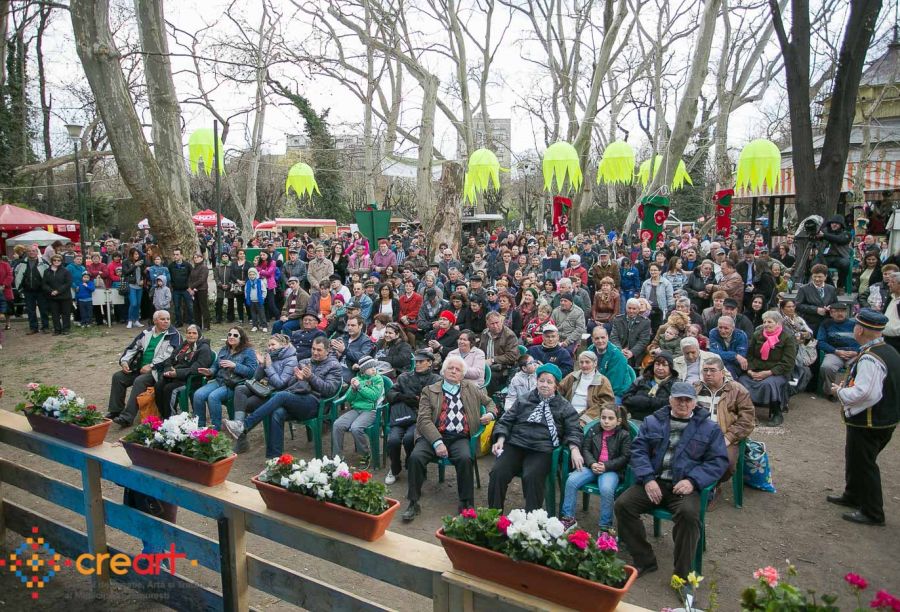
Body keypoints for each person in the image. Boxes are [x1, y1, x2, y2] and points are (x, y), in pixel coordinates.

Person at [615, 381, 728, 578]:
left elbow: (718, 461)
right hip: (655, 482)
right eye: (678, 399)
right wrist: (648, 479)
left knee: (688, 516)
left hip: (685, 487)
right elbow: (638, 451)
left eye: (687, 400)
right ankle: (644, 560)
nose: (683, 403)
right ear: (670, 400)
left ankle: (682, 575)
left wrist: (693, 481)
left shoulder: (709, 428)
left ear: (695, 403)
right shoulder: (653, 421)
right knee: (623, 505)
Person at [401, 355, 497, 522]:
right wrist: (437, 442)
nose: (453, 371)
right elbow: (423, 420)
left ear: (462, 374)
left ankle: (466, 504)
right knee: (415, 457)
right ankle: (413, 502)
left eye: (458, 369)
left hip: (459, 437)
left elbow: (490, 403)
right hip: (433, 435)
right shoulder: (429, 390)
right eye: (450, 368)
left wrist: (489, 414)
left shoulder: (471, 388)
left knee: (465, 458)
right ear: (444, 371)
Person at [828, 309, 899, 526]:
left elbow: (866, 393)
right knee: (855, 459)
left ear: (860, 330)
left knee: (865, 464)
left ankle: (873, 512)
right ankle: (853, 495)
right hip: (884, 418)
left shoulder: (871, 357)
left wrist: (840, 392)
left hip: (870, 421)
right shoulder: (888, 350)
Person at [224, 336, 343, 457]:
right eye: (313, 349)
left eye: (319, 350)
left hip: (315, 403)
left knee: (281, 395)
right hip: (297, 398)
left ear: (327, 351)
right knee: (277, 412)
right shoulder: (304, 362)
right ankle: (273, 458)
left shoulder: (334, 366)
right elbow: (289, 384)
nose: (315, 352)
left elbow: (329, 390)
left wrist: (310, 377)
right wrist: (297, 378)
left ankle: (244, 425)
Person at [488, 363, 583, 512]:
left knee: (532, 476)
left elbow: (574, 430)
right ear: (537, 381)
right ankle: (493, 515)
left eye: (549, 382)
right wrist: (500, 439)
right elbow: (506, 420)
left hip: (542, 449)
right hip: (516, 444)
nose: (544, 385)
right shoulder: (524, 399)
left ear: (556, 386)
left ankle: (531, 519)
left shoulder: (564, 406)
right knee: (498, 472)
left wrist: (575, 449)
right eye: (541, 380)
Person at [560, 404, 632, 532]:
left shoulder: (624, 435)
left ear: (618, 421)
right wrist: (592, 463)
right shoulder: (594, 430)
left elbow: (625, 457)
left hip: (611, 470)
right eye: (603, 418)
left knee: (606, 489)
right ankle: (568, 518)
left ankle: (605, 526)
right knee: (571, 481)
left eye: (610, 418)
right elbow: (586, 449)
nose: (606, 421)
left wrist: (606, 466)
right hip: (591, 467)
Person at [107, 310, 183, 427]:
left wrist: (151, 365)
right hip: (139, 368)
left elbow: (169, 356)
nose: (166, 321)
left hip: (157, 371)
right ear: (155, 321)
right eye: (163, 319)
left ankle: (127, 417)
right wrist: (124, 362)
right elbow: (132, 348)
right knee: (118, 377)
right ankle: (115, 410)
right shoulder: (146, 333)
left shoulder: (174, 335)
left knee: (140, 381)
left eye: (168, 319)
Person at [693, 356, 755, 484]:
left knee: (726, 463)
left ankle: (714, 485)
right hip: (696, 435)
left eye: (712, 370)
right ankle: (696, 484)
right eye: (705, 370)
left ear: (722, 373)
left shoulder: (737, 390)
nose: (708, 374)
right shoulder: (695, 388)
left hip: (724, 436)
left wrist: (729, 437)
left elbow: (747, 420)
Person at [384, 350, 442, 485]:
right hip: (402, 416)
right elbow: (390, 393)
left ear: (430, 363)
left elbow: (438, 401)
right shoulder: (404, 377)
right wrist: (402, 397)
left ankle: (413, 466)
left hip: (421, 419)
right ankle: (394, 468)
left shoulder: (436, 380)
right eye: (416, 361)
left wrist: (420, 402)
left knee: (410, 438)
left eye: (421, 361)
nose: (418, 364)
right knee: (393, 440)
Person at [738, 310, 797, 427]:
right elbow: (749, 356)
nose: (766, 324)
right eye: (764, 322)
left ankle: (777, 413)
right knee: (741, 381)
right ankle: (744, 412)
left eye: (770, 322)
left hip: (777, 372)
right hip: (756, 369)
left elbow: (788, 362)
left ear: (778, 323)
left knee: (769, 384)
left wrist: (768, 373)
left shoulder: (787, 337)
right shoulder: (757, 334)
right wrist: (750, 371)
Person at [193, 326, 259, 430]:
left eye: (235, 335)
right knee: (198, 394)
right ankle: (200, 427)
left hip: (234, 384)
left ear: (241, 338)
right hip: (219, 381)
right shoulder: (224, 349)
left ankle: (216, 428)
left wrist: (235, 366)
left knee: (213, 397)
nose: (231, 337)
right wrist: (210, 371)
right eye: (229, 334)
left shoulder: (248, 351)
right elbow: (216, 365)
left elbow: (252, 372)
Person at [331, 356, 385, 467]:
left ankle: (365, 455)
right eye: (370, 368)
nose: (373, 369)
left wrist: (360, 387)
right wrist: (353, 390)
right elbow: (349, 399)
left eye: (374, 367)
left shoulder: (378, 379)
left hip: (371, 410)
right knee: (337, 424)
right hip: (356, 409)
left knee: (356, 428)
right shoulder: (357, 379)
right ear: (363, 370)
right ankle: (337, 456)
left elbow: (374, 396)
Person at [154, 324, 214, 418]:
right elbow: (171, 358)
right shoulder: (185, 345)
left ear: (199, 335)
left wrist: (177, 373)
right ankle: (163, 414)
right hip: (175, 375)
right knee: (158, 385)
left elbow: (196, 369)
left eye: (194, 333)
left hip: (190, 379)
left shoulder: (203, 348)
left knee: (169, 389)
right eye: (189, 333)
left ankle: (170, 417)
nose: (191, 335)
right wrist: (168, 369)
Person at [558, 351, 615, 425]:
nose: (584, 365)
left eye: (587, 362)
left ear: (595, 363)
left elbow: (606, 403)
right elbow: (558, 392)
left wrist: (585, 419)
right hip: (567, 413)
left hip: (589, 417)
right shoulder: (572, 377)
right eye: (581, 362)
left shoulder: (603, 381)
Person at [817, 302, 860, 401]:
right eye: (836, 311)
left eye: (842, 311)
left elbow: (864, 341)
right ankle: (831, 392)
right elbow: (820, 342)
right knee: (827, 367)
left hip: (854, 353)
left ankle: (853, 392)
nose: (840, 314)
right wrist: (836, 351)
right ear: (831, 313)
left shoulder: (855, 324)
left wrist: (857, 352)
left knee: (860, 366)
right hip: (835, 353)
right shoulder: (826, 324)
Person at [621, 352, 677, 421]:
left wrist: (647, 401)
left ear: (670, 367)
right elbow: (625, 399)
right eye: (657, 364)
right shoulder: (642, 379)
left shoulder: (675, 384)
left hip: (662, 421)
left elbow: (671, 404)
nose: (660, 368)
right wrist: (639, 400)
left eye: (664, 365)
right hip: (637, 418)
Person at [587, 326, 636, 399]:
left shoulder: (617, 356)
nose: (600, 341)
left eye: (603, 337)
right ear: (592, 339)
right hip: (596, 388)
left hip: (616, 393)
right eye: (597, 338)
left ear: (607, 337)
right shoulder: (590, 351)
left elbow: (614, 385)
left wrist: (595, 395)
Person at [14, 245, 49, 334]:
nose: (31, 252)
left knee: (43, 309)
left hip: (41, 290)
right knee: (30, 310)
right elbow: (16, 275)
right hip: (28, 290)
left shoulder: (44, 263)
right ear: (26, 252)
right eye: (29, 251)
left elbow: (49, 276)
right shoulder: (21, 263)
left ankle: (45, 327)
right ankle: (33, 328)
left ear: (37, 252)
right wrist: (19, 288)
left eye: (33, 251)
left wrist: (47, 288)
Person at [795, 264, 838, 335]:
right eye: (815, 276)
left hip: (827, 324)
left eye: (820, 277)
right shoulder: (803, 289)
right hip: (810, 324)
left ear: (825, 277)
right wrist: (816, 310)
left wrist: (830, 308)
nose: (817, 279)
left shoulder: (831, 288)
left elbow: (835, 304)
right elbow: (798, 306)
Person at [610, 298, 653, 367]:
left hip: (636, 354)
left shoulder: (645, 322)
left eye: (634, 309)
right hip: (619, 351)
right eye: (629, 308)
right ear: (626, 308)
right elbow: (613, 337)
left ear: (638, 309)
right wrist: (620, 350)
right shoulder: (617, 320)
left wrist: (632, 352)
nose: (631, 311)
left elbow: (644, 341)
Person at [332, 315, 374, 382]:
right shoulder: (344, 337)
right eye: (348, 325)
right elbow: (331, 353)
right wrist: (335, 352)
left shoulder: (366, 341)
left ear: (360, 326)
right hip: (335, 366)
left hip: (350, 371)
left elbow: (362, 357)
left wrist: (344, 350)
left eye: (353, 325)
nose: (349, 328)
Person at [707, 316, 749, 380]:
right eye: (720, 327)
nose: (722, 331)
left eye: (726, 328)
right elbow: (714, 353)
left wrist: (725, 355)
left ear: (733, 328)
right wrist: (735, 355)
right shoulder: (713, 333)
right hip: (719, 364)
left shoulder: (741, 335)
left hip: (735, 366)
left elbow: (741, 357)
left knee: (727, 370)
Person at [817, 215, 852, 291]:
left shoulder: (846, 233)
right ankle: (830, 286)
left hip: (840, 257)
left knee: (845, 264)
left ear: (841, 225)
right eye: (832, 223)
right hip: (826, 257)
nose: (834, 225)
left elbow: (840, 239)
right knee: (816, 265)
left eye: (837, 223)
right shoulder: (825, 231)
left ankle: (840, 286)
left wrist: (824, 235)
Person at [42, 254, 73, 335]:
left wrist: (58, 291)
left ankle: (66, 329)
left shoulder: (66, 271)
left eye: (58, 260)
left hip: (65, 296)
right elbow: (44, 284)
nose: (56, 262)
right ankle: (57, 330)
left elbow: (68, 283)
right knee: (54, 314)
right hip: (52, 297)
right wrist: (51, 291)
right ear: (52, 261)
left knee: (66, 314)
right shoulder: (46, 271)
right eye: (54, 260)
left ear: (61, 261)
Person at [167, 248, 193, 327]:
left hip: (186, 290)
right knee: (177, 307)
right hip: (176, 290)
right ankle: (179, 322)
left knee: (190, 306)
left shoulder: (187, 265)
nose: (175, 256)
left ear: (181, 255)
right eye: (174, 254)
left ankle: (191, 322)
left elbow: (192, 276)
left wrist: (190, 287)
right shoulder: (171, 266)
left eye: (177, 254)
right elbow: (168, 277)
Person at [122, 248, 145, 329]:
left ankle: (136, 320)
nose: (137, 256)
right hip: (131, 285)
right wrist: (135, 265)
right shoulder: (126, 262)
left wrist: (143, 279)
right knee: (133, 303)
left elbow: (142, 273)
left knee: (138, 304)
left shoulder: (141, 262)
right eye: (135, 254)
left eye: (138, 254)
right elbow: (125, 272)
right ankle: (130, 320)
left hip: (139, 286)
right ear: (131, 255)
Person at [244, 267, 268, 332]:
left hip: (259, 301)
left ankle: (264, 326)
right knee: (253, 314)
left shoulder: (260, 282)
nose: (252, 276)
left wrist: (263, 298)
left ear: (256, 274)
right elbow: (246, 291)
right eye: (250, 275)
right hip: (251, 301)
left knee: (261, 314)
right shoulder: (248, 283)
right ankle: (255, 326)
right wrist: (247, 298)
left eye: (253, 274)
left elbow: (264, 290)